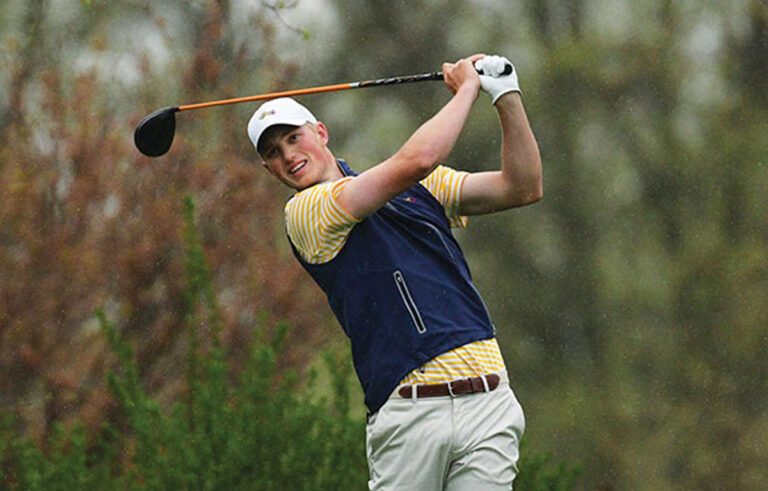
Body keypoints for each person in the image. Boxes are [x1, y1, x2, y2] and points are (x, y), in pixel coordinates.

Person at [246, 54, 542, 490]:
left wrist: (506, 95)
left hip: (488, 400)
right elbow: (418, 159)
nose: (289, 155)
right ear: (268, 169)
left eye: (294, 138)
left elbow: (523, 186)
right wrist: (466, 90)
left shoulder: (423, 189)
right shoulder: (306, 213)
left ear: (320, 133)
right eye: (273, 152)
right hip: (410, 414)